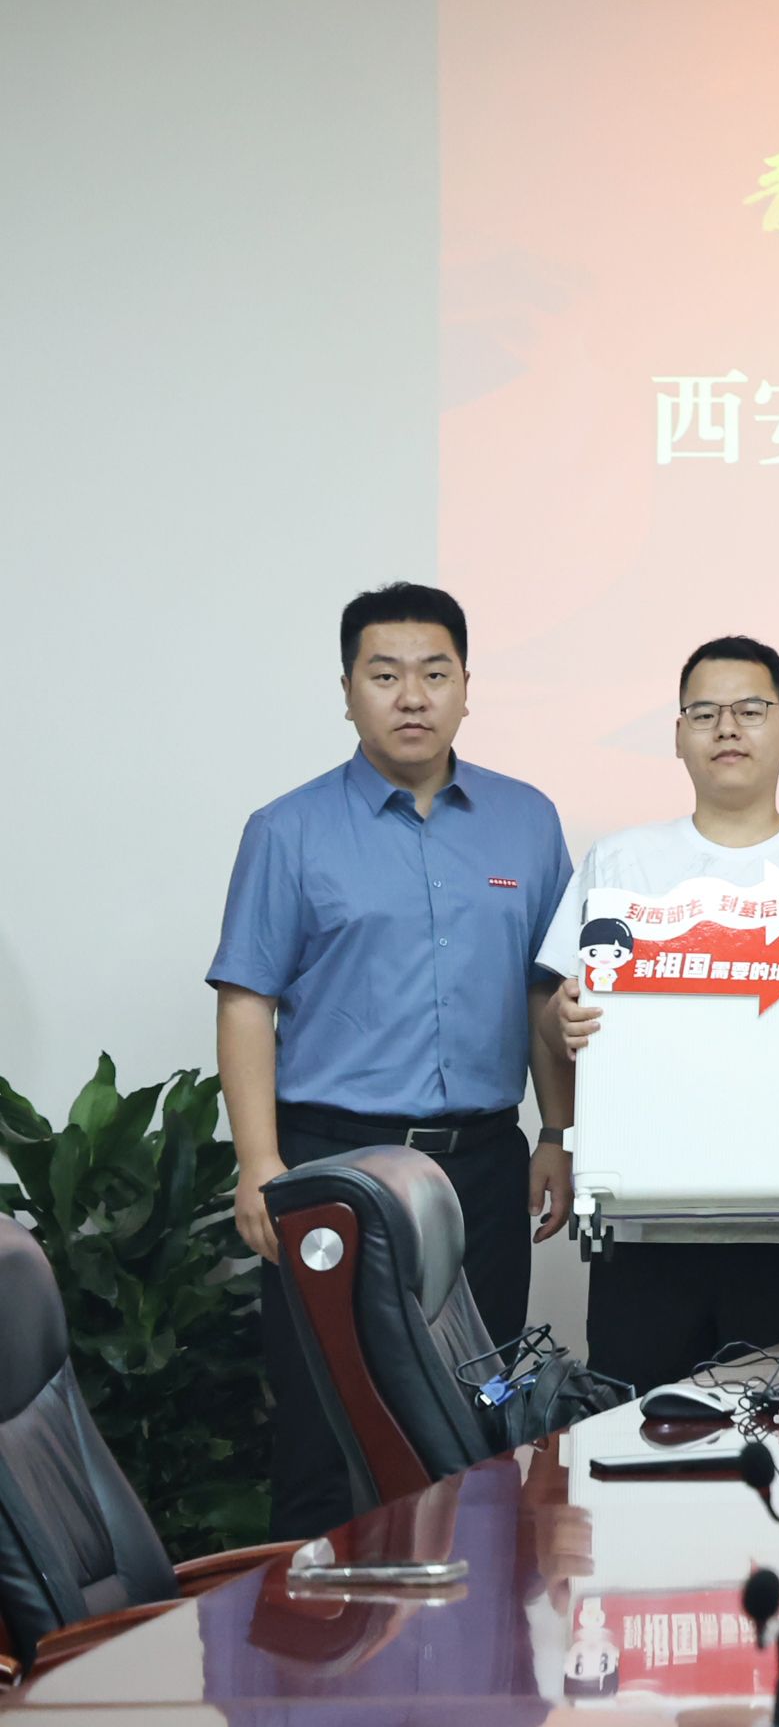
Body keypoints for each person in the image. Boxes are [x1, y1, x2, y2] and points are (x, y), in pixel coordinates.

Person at [208, 582, 572, 1539]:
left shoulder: (526, 821)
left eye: (434, 673)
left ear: (466, 688)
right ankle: (315, 1629)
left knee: (480, 1422)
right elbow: (246, 1001)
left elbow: (545, 993)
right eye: (385, 675)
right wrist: (259, 1163)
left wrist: (558, 1134)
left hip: (481, 1165)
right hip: (333, 1164)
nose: (412, 696)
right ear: (347, 692)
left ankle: (475, 1626)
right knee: (324, 1424)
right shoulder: (287, 830)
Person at [535, 635, 779, 1394]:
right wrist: (561, 1021)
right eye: (704, 713)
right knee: (639, 1440)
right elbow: (556, 1014)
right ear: (678, 735)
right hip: (640, 1224)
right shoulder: (621, 861)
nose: (727, 728)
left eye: (750, 710)